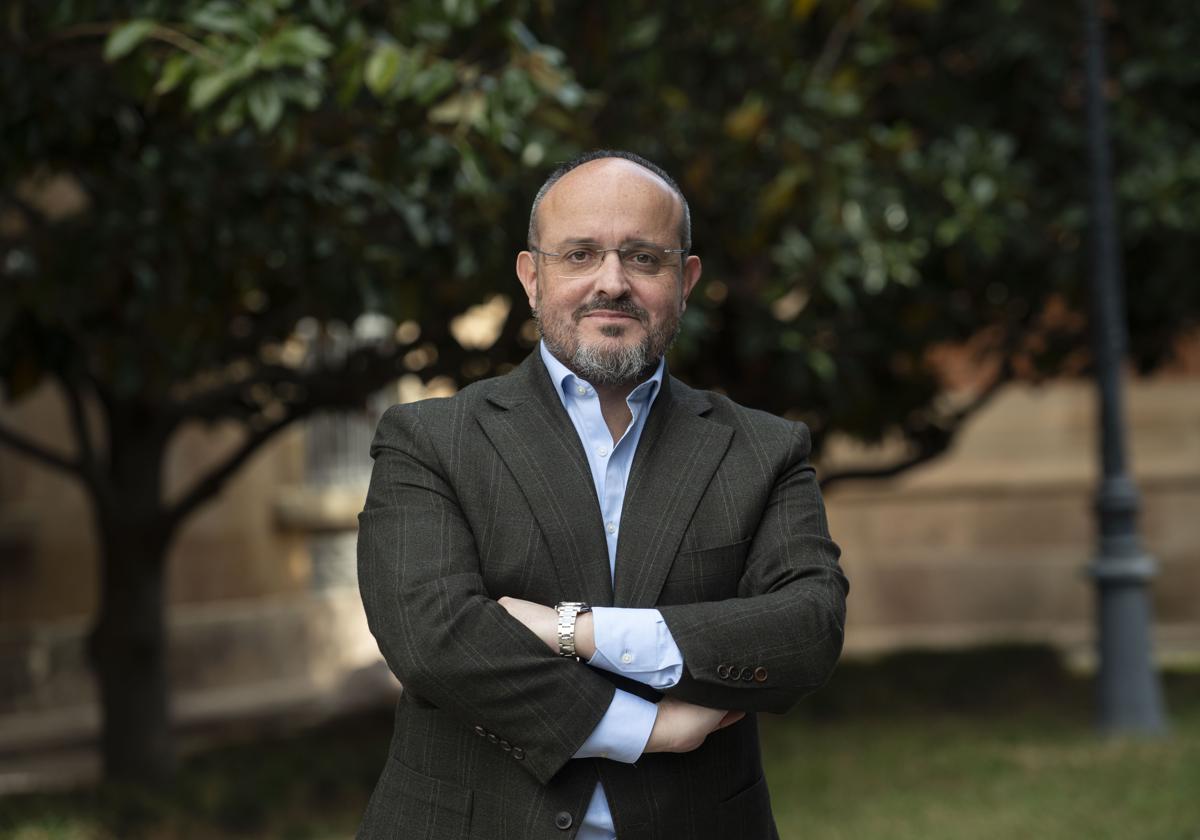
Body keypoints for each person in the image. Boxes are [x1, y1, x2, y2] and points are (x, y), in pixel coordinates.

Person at [355, 150, 849, 840]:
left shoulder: (764, 450)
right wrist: (649, 728)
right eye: (580, 255)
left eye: (644, 258)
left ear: (686, 280)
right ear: (533, 277)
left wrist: (571, 628)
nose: (611, 283)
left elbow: (807, 631)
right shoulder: (430, 440)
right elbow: (431, 638)